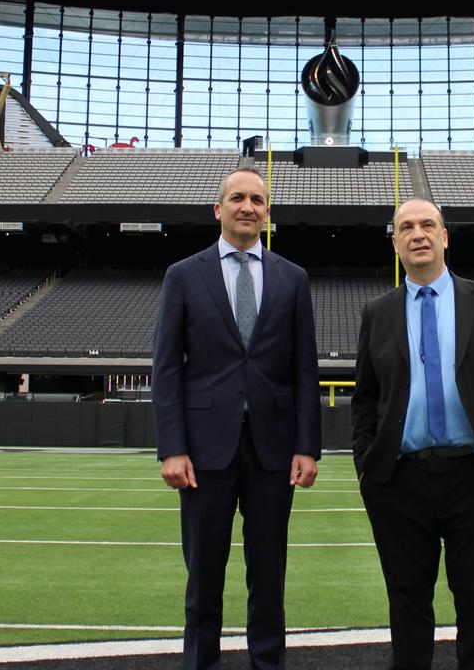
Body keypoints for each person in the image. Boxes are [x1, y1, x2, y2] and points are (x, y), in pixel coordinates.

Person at [153, 167, 321, 670]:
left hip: (273, 448)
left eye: (258, 199)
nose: (248, 206)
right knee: (203, 577)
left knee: (268, 576)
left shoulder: (293, 278)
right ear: (218, 209)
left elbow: (303, 369)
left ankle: (267, 664)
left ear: (267, 212)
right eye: (238, 198)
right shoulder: (184, 275)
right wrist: (172, 446)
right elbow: (166, 368)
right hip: (204, 451)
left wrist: (307, 446)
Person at [352, 197, 474, 670]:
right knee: (407, 601)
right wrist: (366, 464)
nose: (418, 234)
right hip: (399, 480)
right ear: (395, 242)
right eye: (406, 227)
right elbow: (365, 397)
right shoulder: (377, 312)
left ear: (445, 236)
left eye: (428, 224)